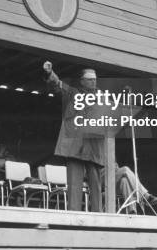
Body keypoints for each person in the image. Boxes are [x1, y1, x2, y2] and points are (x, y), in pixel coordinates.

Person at [43, 61, 104, 212]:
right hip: (75, 147)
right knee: (74, 185)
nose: (93, 81)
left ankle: (99, 216)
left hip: (93, 146)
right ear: (82, 81)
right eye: (90, 79)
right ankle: (73, 216)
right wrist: (50, 73)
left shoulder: (103, 98)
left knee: (96, 185)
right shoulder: (73, 94)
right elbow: (58, 84)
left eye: (95, 79)